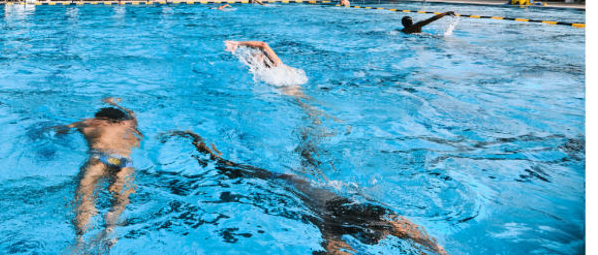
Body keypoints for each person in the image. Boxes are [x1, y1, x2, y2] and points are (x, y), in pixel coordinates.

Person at [167, 130, 449, 255]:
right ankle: (197, 141)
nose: (387, 236)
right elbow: (333, 250)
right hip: (283, 183)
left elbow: (420, 237)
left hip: (316, 186)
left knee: (310, 165)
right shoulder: (331, 223)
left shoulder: (382, 216)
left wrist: (439, 250)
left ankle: (307, 142)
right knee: (227, 167)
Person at [52, 97, 141, 248]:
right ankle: (111, 226)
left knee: (85, 198)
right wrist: (114, 103)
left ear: (100, 117)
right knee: (121, 200)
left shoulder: (89, 122)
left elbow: (62, 129)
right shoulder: (127, 124)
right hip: (123, 162)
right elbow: (133, 115)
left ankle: (79, 237)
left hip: (99, 159)